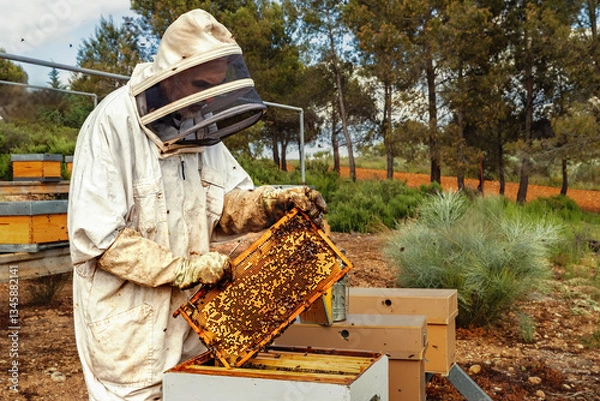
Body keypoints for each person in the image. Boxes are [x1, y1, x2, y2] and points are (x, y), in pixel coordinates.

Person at [67, 9, 327, 401]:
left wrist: (271, 202)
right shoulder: (111, 125)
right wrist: (184, 267)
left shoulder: (199, 127)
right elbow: (99, 241)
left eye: (217, 87)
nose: (207, 98)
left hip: (191, 327)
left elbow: (223, 204)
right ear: (173, 74)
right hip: (131, 333)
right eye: (202, 85)